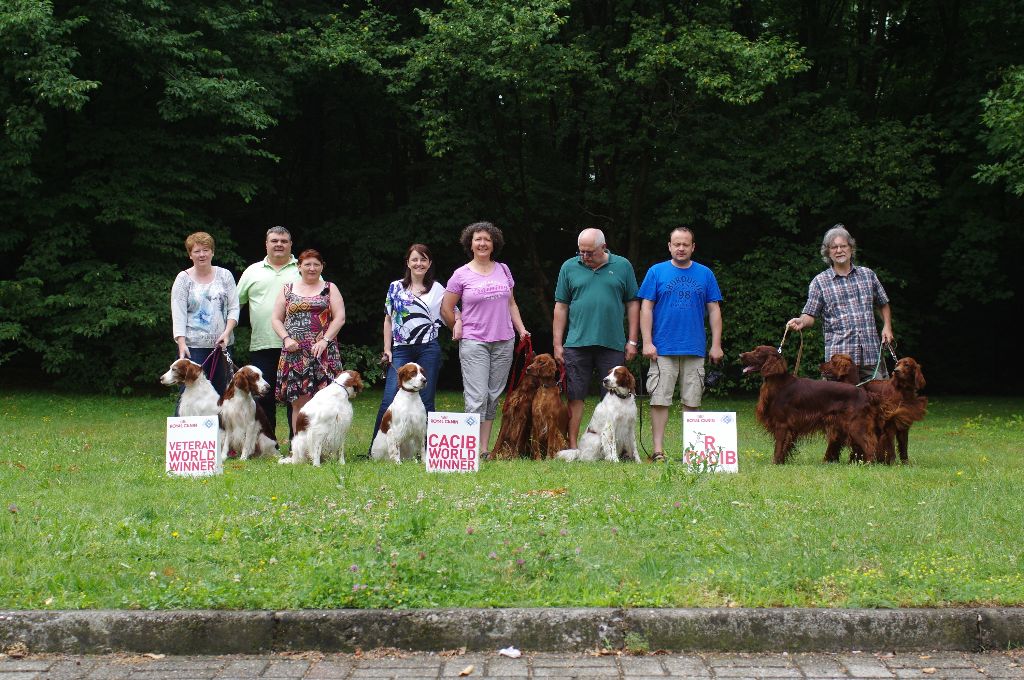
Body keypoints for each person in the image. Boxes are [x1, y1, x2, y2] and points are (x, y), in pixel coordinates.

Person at [441, 222, 529, 458]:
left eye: (487, 239)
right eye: (478, 239)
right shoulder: (461, 274)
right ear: (470, 243)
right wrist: (456, 324)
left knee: (492, 396)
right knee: (477, 396)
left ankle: (483, 449)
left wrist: (521, 329)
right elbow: (446, 308)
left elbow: (511, 303)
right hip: (474, 341)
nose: (482, 243)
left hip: (504, 340)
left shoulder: (503, 269)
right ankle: (468, 449)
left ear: (494, 244)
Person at [638, 227, 724, 461]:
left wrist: (716, 344)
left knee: (693, 401)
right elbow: (646, 308)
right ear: (669, 246)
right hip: (662, 348)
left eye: (685, 244)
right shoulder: (656, 272)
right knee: (659, 400)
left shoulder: (705, 274)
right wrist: (647, 342)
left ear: (693, 247)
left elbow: (714, 310)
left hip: (694, 347)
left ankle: (693, 451)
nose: (681, 248)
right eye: (676, 244)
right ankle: (658, 451)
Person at [552, 228, 640, 448]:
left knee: (612, 397)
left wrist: (632, 340)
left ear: (604, 247)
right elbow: (561, 306)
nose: (584, 256)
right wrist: (557, 343)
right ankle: (572, 445)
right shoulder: (569, 267)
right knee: (575, 396)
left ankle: (612, 447)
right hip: (576, 343)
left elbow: (632, 304)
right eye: (581, 251)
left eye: (589, 252)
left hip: (612, 343)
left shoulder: (622, 266)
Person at [787, 224, 893, 382]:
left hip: (870, 355)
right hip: (839, 362)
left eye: (843, 246)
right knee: (837, 406)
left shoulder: (868, 275)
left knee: (879, 403)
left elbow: (883, 303)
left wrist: (887, 327)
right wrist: (801, 322)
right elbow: (809, 314)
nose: (839, 250)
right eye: (834, 247)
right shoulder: (819, 282)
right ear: (828, 252)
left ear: (851, 248)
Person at [370, 243, 451, 446]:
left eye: (423, 259)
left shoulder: (438, 289)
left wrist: (459, 325)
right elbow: (388, 319)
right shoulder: (395, 287)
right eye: (415, 259)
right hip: (401, 349)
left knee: (426, 400)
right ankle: (376, 448)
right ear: (408, 262)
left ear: (429, 263)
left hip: (428, 348)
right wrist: (387, 349)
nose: (419, 263)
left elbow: (451, 313)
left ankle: (429, 452)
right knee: (389, 399)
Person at [271, 249, 346, 435]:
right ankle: (299, 447)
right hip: (295, 353)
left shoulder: (330, 287)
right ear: (299, 267)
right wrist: (286, 338)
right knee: (299, 402)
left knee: (328, 402)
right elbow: (275, 319)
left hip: (324, 352)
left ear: (322, 267)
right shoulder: (287, 289)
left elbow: (340, 318)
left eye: (316, 264)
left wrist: (325, 341)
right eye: (307, 264)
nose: (312, 268)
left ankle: (326, 447)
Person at [237, 226, 301, 436]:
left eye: (283, 241)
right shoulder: (252, 271)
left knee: (297, 396)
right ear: (266, 244)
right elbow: (235, 305)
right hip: (262, 344)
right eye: (274, 241)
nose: (279, 244)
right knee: (263, 397)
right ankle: (267, 443)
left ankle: (297, 444)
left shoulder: (303, 269)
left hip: (297, 345)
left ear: (291, 244)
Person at [169, 231, 239, 409]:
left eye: (206, 250)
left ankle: (219, 434)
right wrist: (181, 343)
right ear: (190, 254)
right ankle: (183, 435)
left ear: (212, 252)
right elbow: (178, 314)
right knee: (189, 393)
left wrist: (227, 332)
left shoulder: (225, 275)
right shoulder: (183, 279)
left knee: (222, 392)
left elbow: (233, 308)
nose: (202, 255)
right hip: (193, 348)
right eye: (197, 251)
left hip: (222, 345)